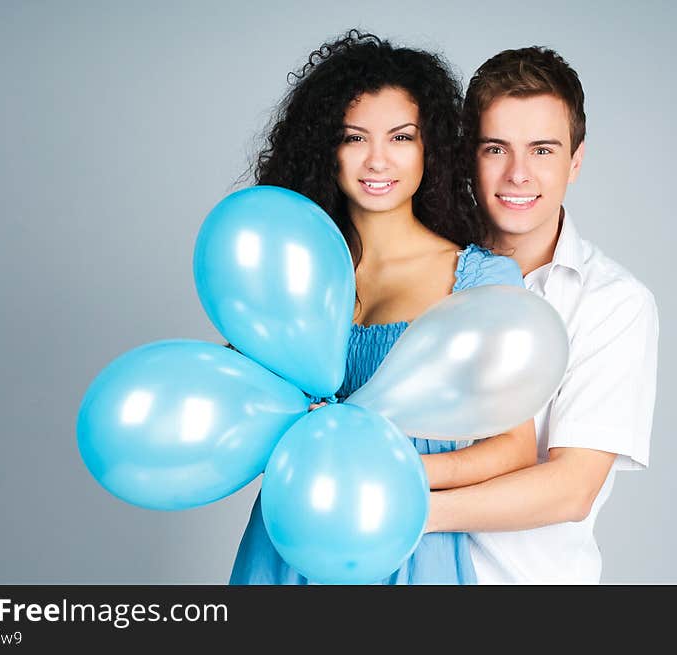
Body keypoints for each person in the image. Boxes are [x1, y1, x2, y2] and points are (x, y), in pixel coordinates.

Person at [229, 30, 537, 585]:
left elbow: (514, 448)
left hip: (407, 546)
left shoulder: (480, 280)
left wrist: (395, 475)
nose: (377, 160)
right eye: (354, 138)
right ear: (327, 149)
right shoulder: (290, 276)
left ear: (430, 149)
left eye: (401, 137)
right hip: (288, 543)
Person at [424, 46, 659, 583]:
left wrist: (406, 511)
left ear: (576, 161)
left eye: (543, 151)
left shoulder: (614, 303)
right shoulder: (425, 271)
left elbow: (572, 488)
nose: (518, 174)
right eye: (496, 149)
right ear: (468, 158)